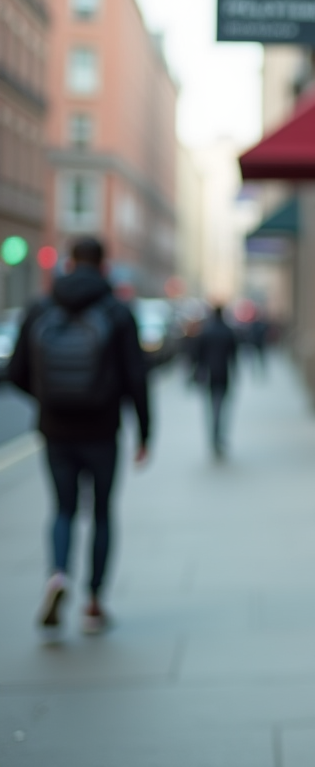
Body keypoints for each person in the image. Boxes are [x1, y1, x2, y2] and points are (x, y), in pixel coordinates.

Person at [7, 236, 150, 638]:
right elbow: (136, 378)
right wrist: (145, 432)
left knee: (63, 509)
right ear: (104, 266)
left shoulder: (40, 308)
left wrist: (50, 400)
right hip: (103, 430)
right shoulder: (118, 311)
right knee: (101, 513)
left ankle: (57, 575)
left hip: (56, 430)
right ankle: (93, 604)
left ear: (69, 263)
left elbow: (15, 373)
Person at [192, 304, 238, 458]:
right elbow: (233, 356)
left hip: (209, 375)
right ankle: (217, 437)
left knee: (212, 408)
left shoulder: (206, 331)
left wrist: (198, 372)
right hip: (223, 374)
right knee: (221, 407)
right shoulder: (227, 331)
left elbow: (198, 355)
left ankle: (214, 436)